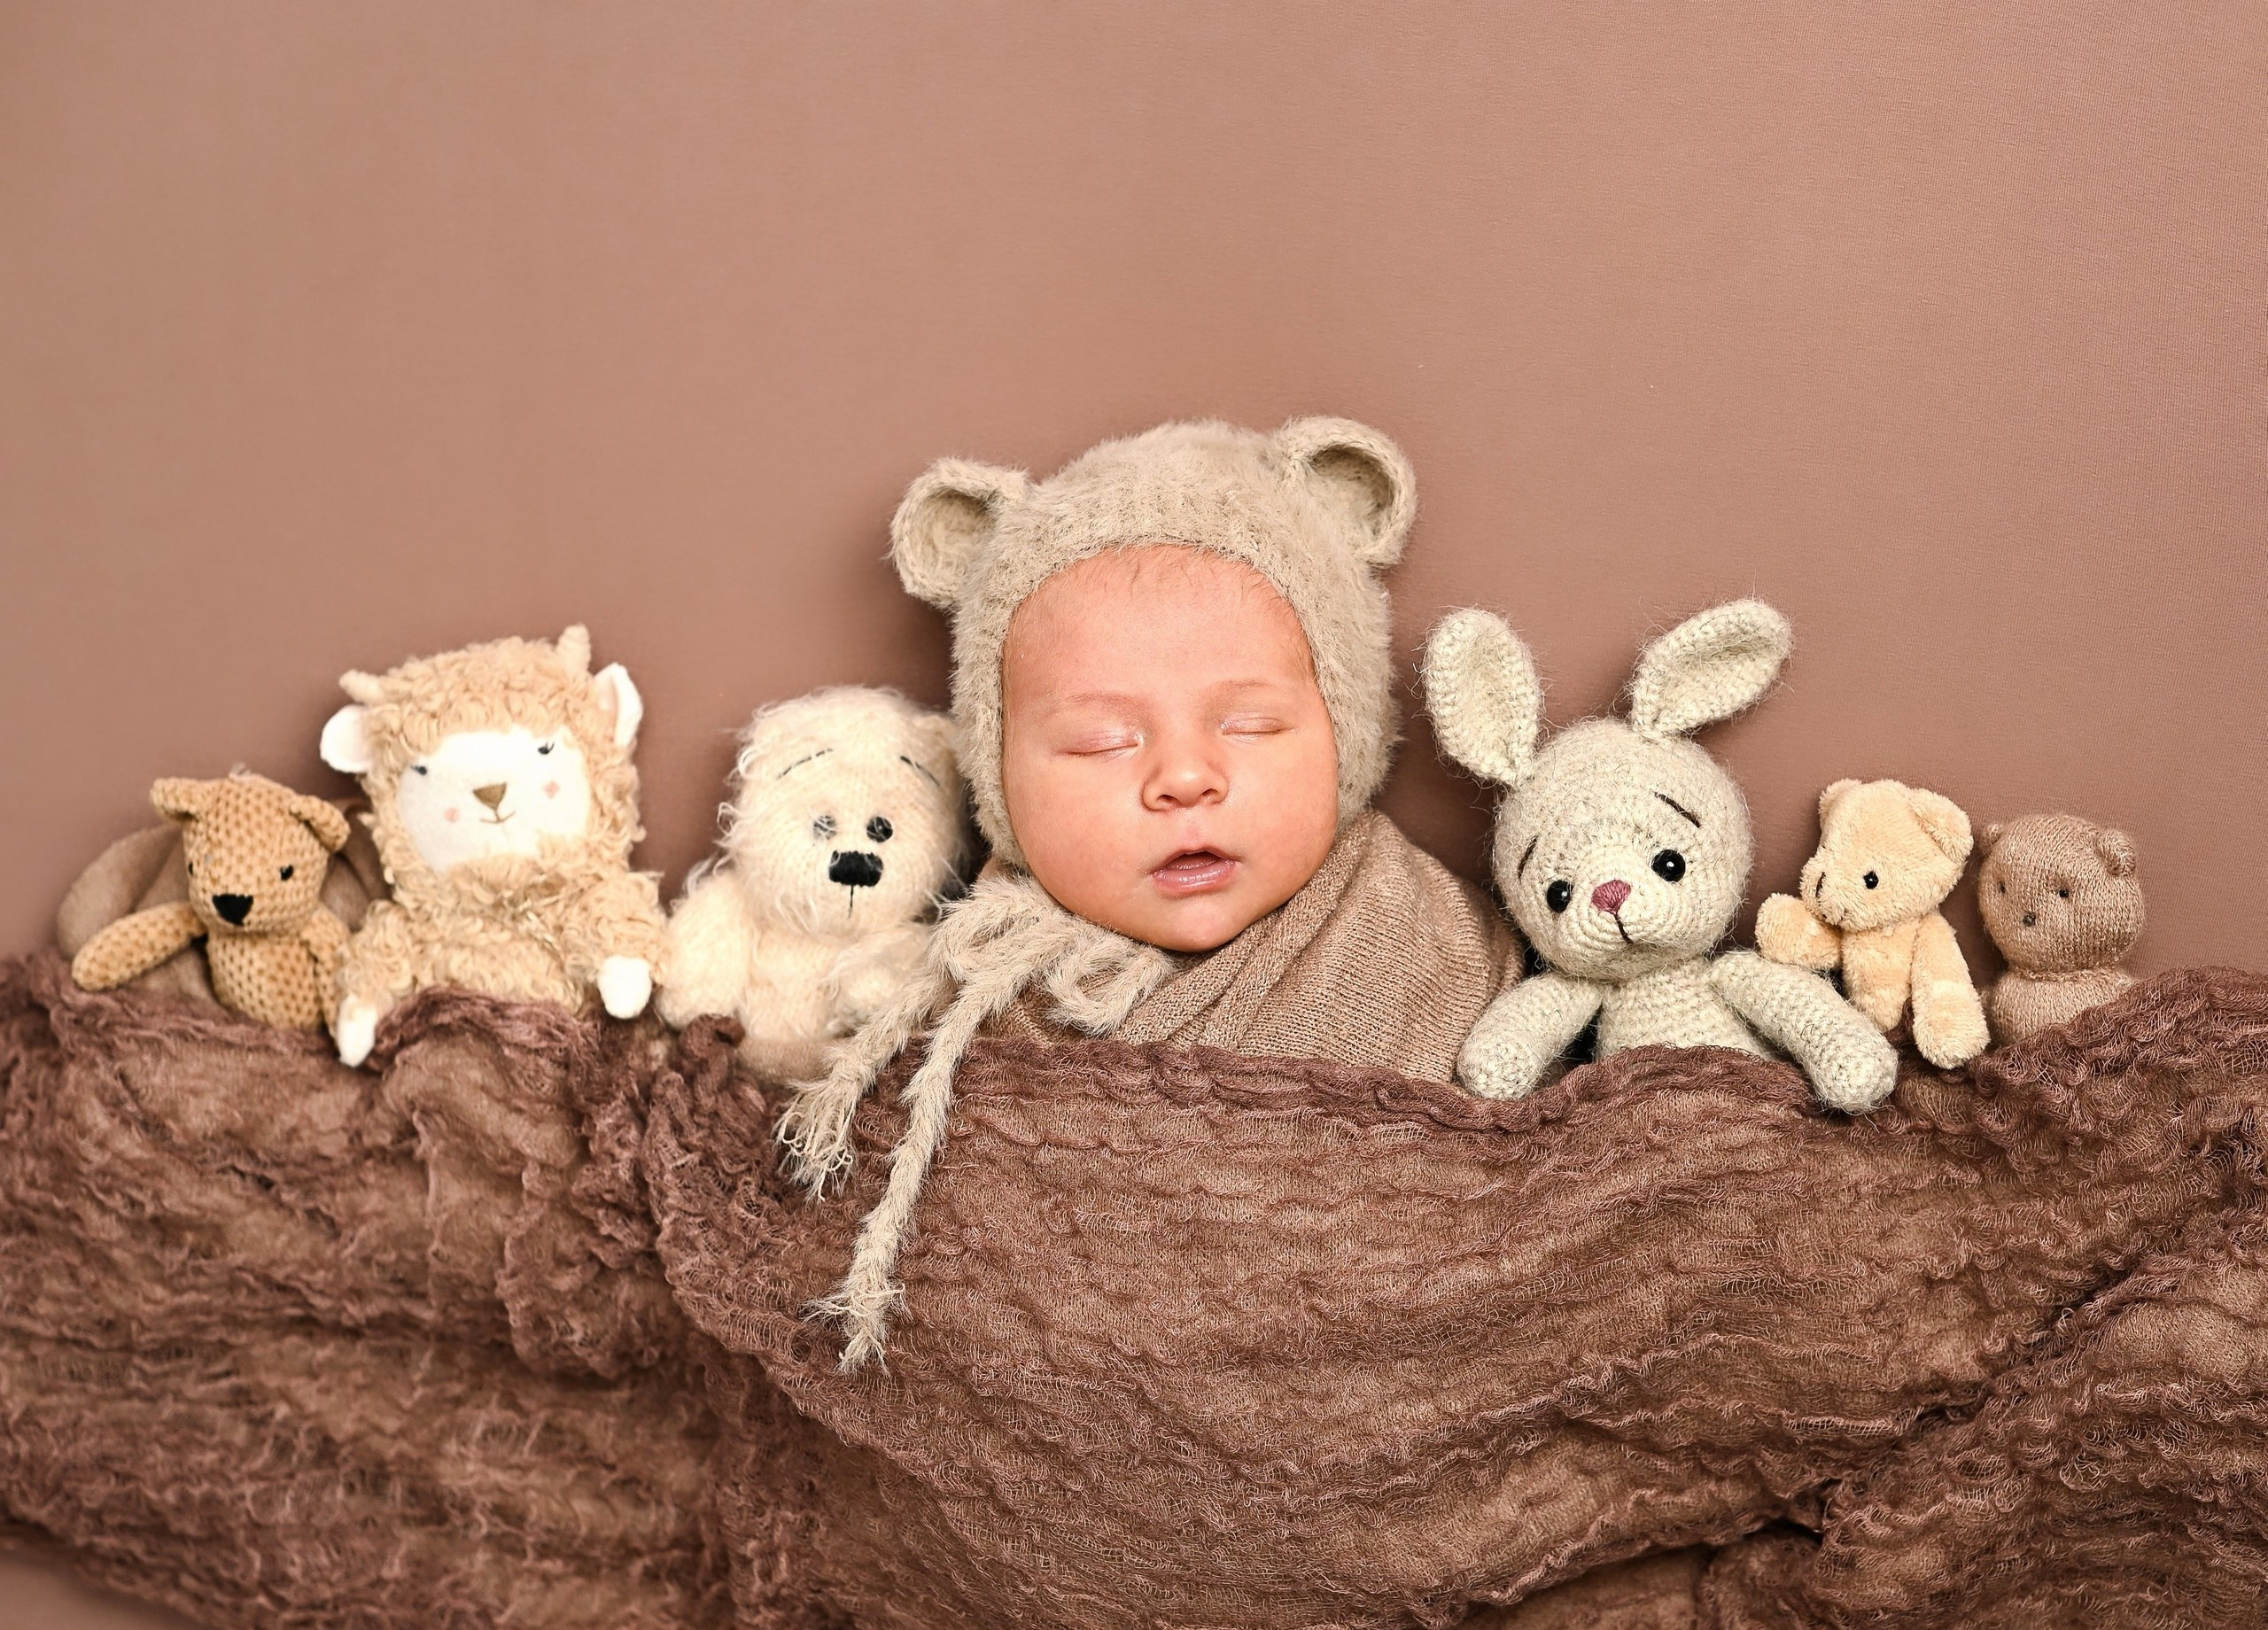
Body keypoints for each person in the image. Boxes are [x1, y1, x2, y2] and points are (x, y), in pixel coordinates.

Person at [777, 415, 1520, 1366]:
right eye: (1102, 741)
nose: (1184, 778)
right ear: (1001, 779)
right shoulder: (979, 984)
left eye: (1249, 725)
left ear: (1344, 731)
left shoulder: (1422, 943)